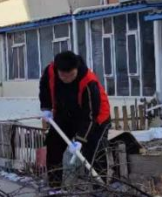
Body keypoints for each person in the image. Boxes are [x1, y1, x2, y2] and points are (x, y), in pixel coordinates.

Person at [39, 51, 110, 189]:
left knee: (94, 151)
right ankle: (54, 188)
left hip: (95, 118)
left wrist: (80, 140)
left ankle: (100, 190)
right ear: (57, 70)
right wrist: (46, 107)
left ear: (76, 69)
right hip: (66, 113)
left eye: (70, 75)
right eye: (63, 76)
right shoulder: (50, 71)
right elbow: (44, 86)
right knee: (53, 144)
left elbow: (91, 116)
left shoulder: (89, 82)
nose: (66, 79)